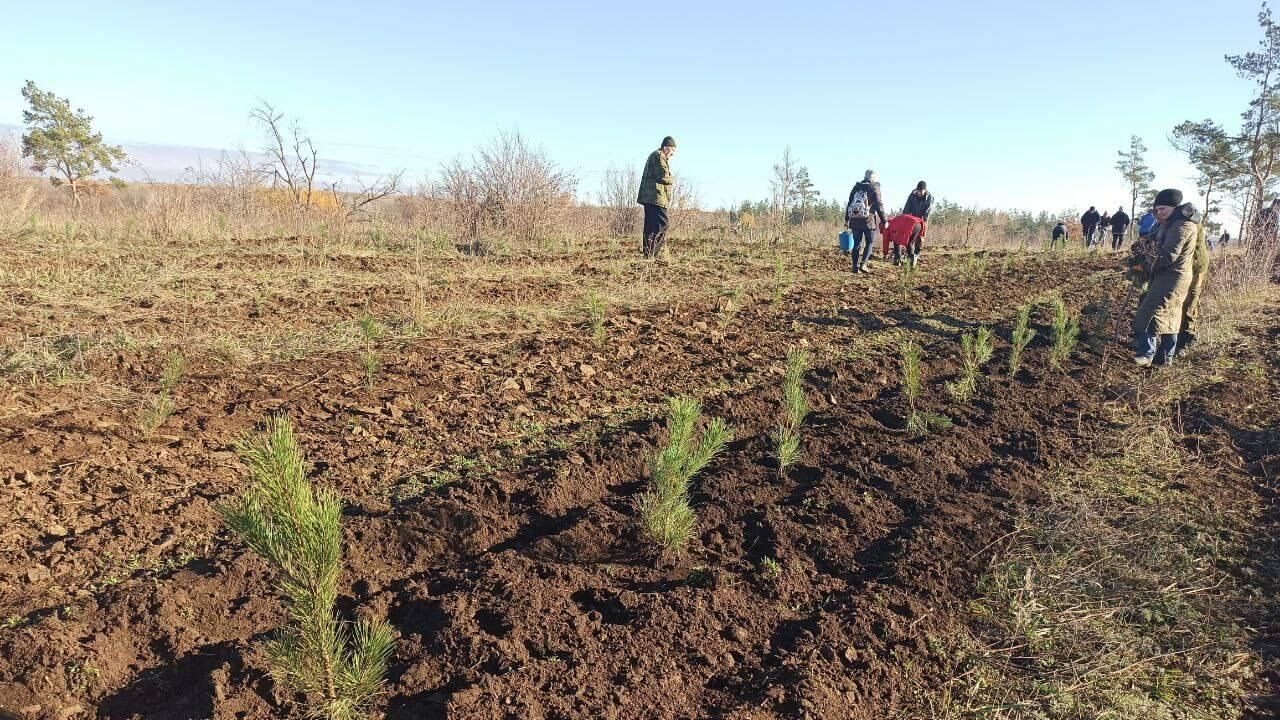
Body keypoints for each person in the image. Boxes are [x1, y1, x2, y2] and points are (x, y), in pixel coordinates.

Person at [1130, 189, 1199, 367]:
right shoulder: (1169, 222)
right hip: (1167, 274)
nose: (1159, 212)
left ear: (1174, 207)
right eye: (1157, 209)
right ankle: (1164, 359)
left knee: (1148, 311)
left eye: (1163, 209)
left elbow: (1168, 255)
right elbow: (1153, 240)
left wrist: (1142, 266)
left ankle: (1146, 354)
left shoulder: (1182, 225)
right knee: (1170, 314)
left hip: (1173, 276)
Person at [637, 136, 676, 259]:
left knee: (651, 226)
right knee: (663, 223)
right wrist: (671, 178)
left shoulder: (654, 155)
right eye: (672, 151)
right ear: (666, 148)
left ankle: (648, 254)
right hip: (656, 198)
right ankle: (653, 254)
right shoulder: (659, 156)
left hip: (650, 198)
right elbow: (663, 176)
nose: (672, 154)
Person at [844, 169, 888, 274]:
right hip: (868, 220)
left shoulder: (856, 186)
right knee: (869, 242)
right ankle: (863, 264)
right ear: (873, 177)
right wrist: (884, 220)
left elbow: (850, 203)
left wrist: (847, 218)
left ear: (865, 176)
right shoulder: (874, 187)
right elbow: (879, 204)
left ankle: (854, 267)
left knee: (856, 243)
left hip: (855, 219)